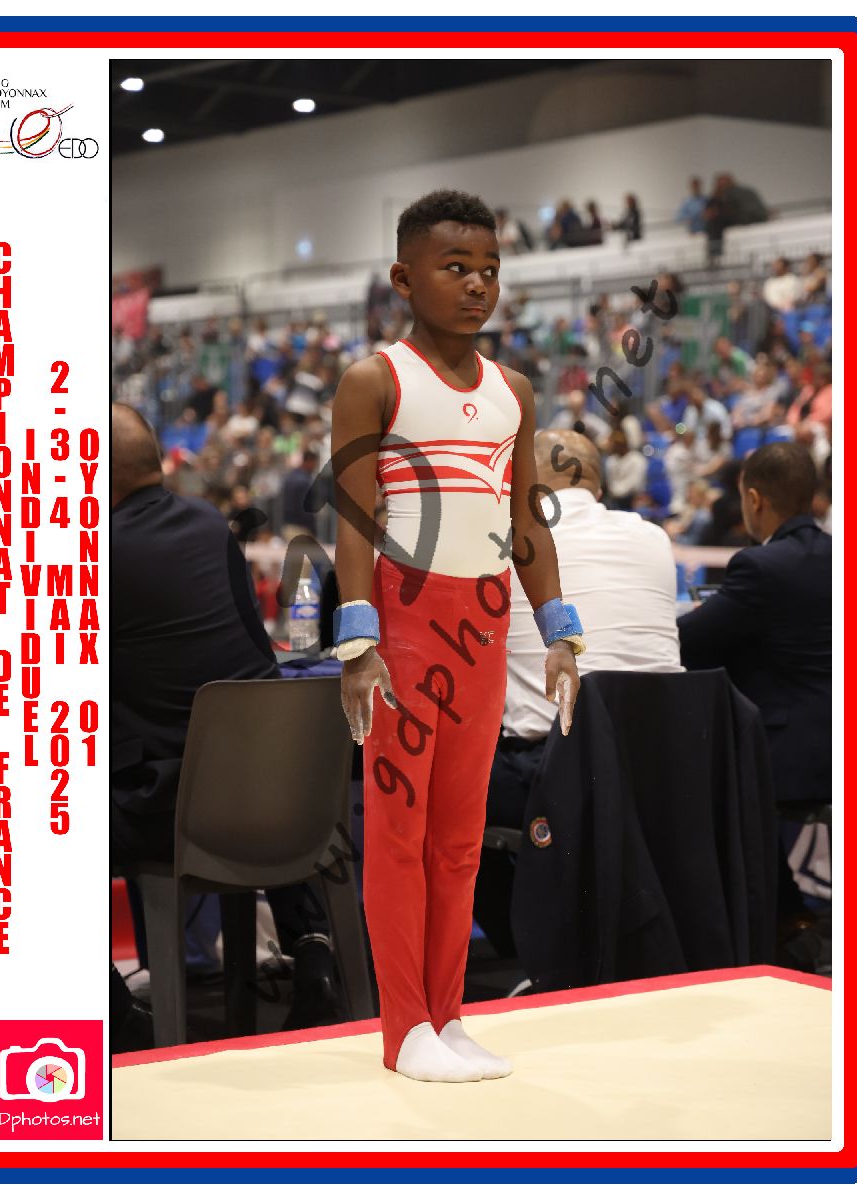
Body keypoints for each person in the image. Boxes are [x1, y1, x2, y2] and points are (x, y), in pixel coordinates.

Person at [329, 189, 584, 1083]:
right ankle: (404, 1028)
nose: (477, 285)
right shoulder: (375, 381)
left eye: (489, 270)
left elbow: (525, 521)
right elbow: (353, 522)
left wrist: (559, 628)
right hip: (404, 623)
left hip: (483, 623)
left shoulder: (514, 392)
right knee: (400, 832)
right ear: (404, 279)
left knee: (460, 836)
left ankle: (447, 1014)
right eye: (455, 268)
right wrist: (358, 644)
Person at [111, 404, 342, 1049]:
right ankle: (314, 950)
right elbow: (255, 658)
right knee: (242, 754)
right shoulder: (212, 526)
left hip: (175, 810)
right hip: (280, 794)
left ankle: (112, 1012)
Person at [476, 430, 681, 955]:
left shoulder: (501, 541)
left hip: (554, 769)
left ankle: (526, 954)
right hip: (663, 765)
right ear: (596, 483)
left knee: (437, 789)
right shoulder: (653, 537)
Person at [677, 443, 831, 919]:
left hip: (790, 758)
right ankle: (793, 919)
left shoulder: (759, 566)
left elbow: (688, 641)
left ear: (754, 499)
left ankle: (778, 922)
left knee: (692, 780)